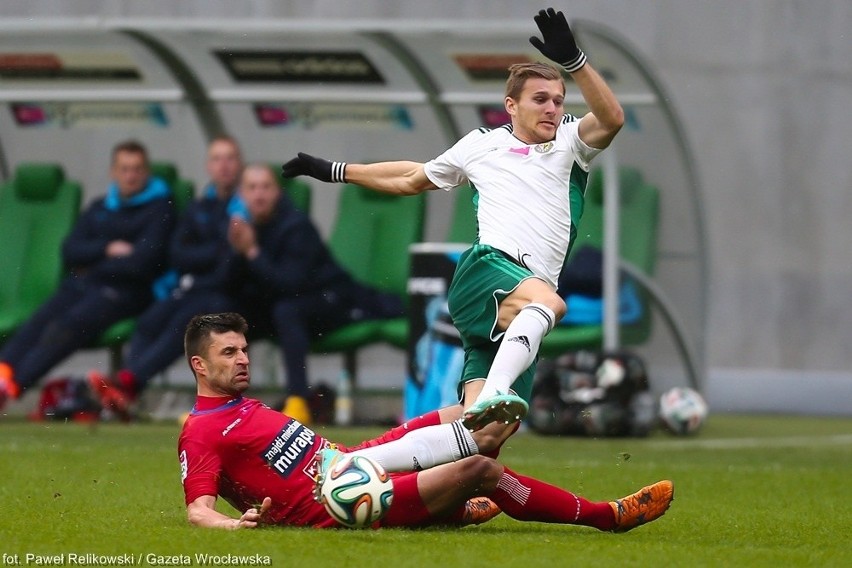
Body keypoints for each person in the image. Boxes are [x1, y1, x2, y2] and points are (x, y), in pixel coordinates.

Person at [281, 8, 623, 471]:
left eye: (559, 100)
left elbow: (612, 118)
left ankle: (349, 466)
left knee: (484, 436)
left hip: (520, 311)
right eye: (540, 99)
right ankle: (498, 389)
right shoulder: (480, 144)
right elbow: (410, 177)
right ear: (511, 105)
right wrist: (336, 171)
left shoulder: (569, 141)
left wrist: (576, 62)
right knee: (550, 304)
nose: (553, 109)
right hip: (488, 272)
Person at [179, 312, 673, 531]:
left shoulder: (240, 406)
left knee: (471, 414)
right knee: (480, 464)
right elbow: (198, 509)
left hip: (354, 463)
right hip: (346, 502)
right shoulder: (200, 430)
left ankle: (452, 506)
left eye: (244, 349)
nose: (242, 359)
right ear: (199, 365)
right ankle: (606, 516)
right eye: (229, 352)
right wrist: (233, 527)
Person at [220, 163, 404, 424]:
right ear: (241, 195)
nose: (259, 195)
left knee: (286, 309)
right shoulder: (242, 229)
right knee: (223, 313)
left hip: (329, 302)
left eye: (266, 187)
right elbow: (227, 284)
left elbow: (289, 284)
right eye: (252, 188)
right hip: (282, 310)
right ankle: (222, 404)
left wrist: (252, 253)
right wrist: (235, 254)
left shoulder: (295, 225)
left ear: (277, 192)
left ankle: (298, 401)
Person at [0, 140, 175, 410]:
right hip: (84, 284)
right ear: (113, 173)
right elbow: (70, 250)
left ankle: (13, 386)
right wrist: (107, 249)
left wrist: (94, 262)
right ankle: (3, 372)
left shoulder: (161, 208)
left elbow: (142, 264)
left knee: (67, 325)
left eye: (137, 169)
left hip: (126, 292)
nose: (130, 175)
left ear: (146, 172)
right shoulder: (101, 206)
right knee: (40, 319)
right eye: (124, 169)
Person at [107, 135, 246, 402]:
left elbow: (231, 265)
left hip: (227, 294)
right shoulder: (199, 206)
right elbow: (178, 254)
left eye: (230, 159)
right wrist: (217, 250)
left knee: (184, 326)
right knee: (149, 321)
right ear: (209, 166)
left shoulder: (246, 205)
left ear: (239, 164)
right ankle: (128, 387)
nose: (224, 166)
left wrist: (207, 256)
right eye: (217, 159)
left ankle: (129, 383)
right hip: (196, 288)